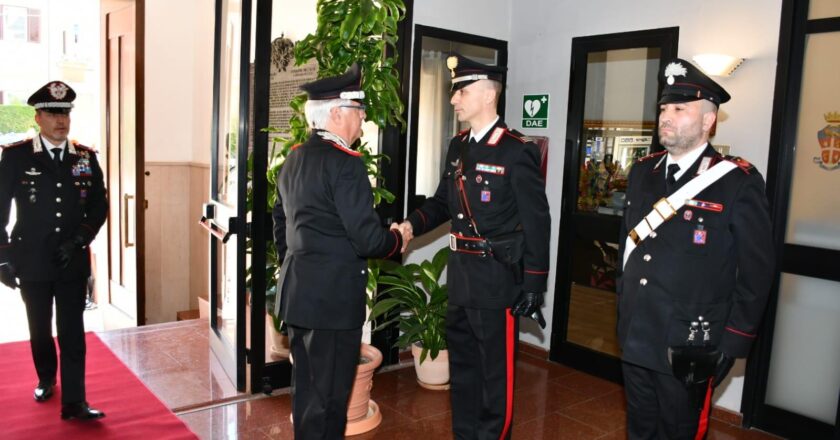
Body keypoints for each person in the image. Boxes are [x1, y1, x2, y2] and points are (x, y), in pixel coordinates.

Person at [617, 58, 774, 439]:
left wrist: (733, 343)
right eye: (664, 109)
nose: (666, 117)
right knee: (640, 428)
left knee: (679, 432)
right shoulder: (643, 172)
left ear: (708, 121)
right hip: (638, 333)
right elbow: (631, 249)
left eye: (679, 109)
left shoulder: (736, 181)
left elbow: (757, 270)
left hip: (689, 341)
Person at [396, 53, 551, 439]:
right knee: (463, 373)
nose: (453, 100)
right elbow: (441, 203)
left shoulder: (517, 150)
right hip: (462, 279)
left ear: (487, 94)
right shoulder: (458, 146)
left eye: (461, 91)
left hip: (498, 282)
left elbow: (538, 222)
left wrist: (534, 285)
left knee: (494, 378)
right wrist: (411, 225)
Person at [272, 63, 403, 439]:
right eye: (358, 113)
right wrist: (396, 239)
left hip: (300, 294)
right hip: (332, 303)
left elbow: (280, 219)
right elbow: (366, 239)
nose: (362, 121)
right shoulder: (345, 165)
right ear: (336, 113)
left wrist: (295, 260)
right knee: (330, 399)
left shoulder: (294, 159)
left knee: (308, 393)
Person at [0, 81, 108, 420]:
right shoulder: (16, 156)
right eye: (52, 114)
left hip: (71, 258)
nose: (61, 121)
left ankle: (75, 401)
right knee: (39, 326)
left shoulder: (86, 157)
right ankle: (46, 376)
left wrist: (79, 239)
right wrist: (2, 256)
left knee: (72, 329)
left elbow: (98, 206)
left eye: (65, 113)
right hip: (30, 259)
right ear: (37, 117)